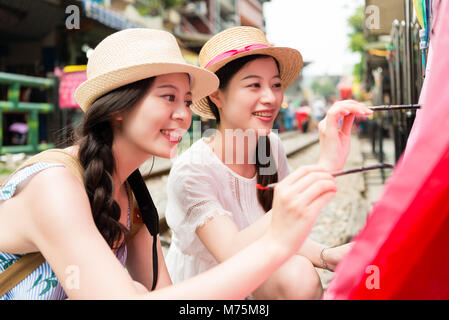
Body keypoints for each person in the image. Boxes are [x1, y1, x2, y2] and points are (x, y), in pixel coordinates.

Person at [0, 28, 338, 300]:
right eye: (168, 97)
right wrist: (277, 243)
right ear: (118, 105)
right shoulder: (54, 186)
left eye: (187, 101)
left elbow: (166, 295)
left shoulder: (130, 194)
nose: (183, 114)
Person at [165, 26, 373, 299]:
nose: (271, 97)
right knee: (296, 275)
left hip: (256, 277)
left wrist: (328, 256)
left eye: (275, 85)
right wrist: (324, 167)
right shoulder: (192, 170)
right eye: (254, 85)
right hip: (207, 293)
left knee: (300, 273)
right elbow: (232, 252)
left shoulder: (270, 147)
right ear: (216, 95)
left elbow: (281, 232)